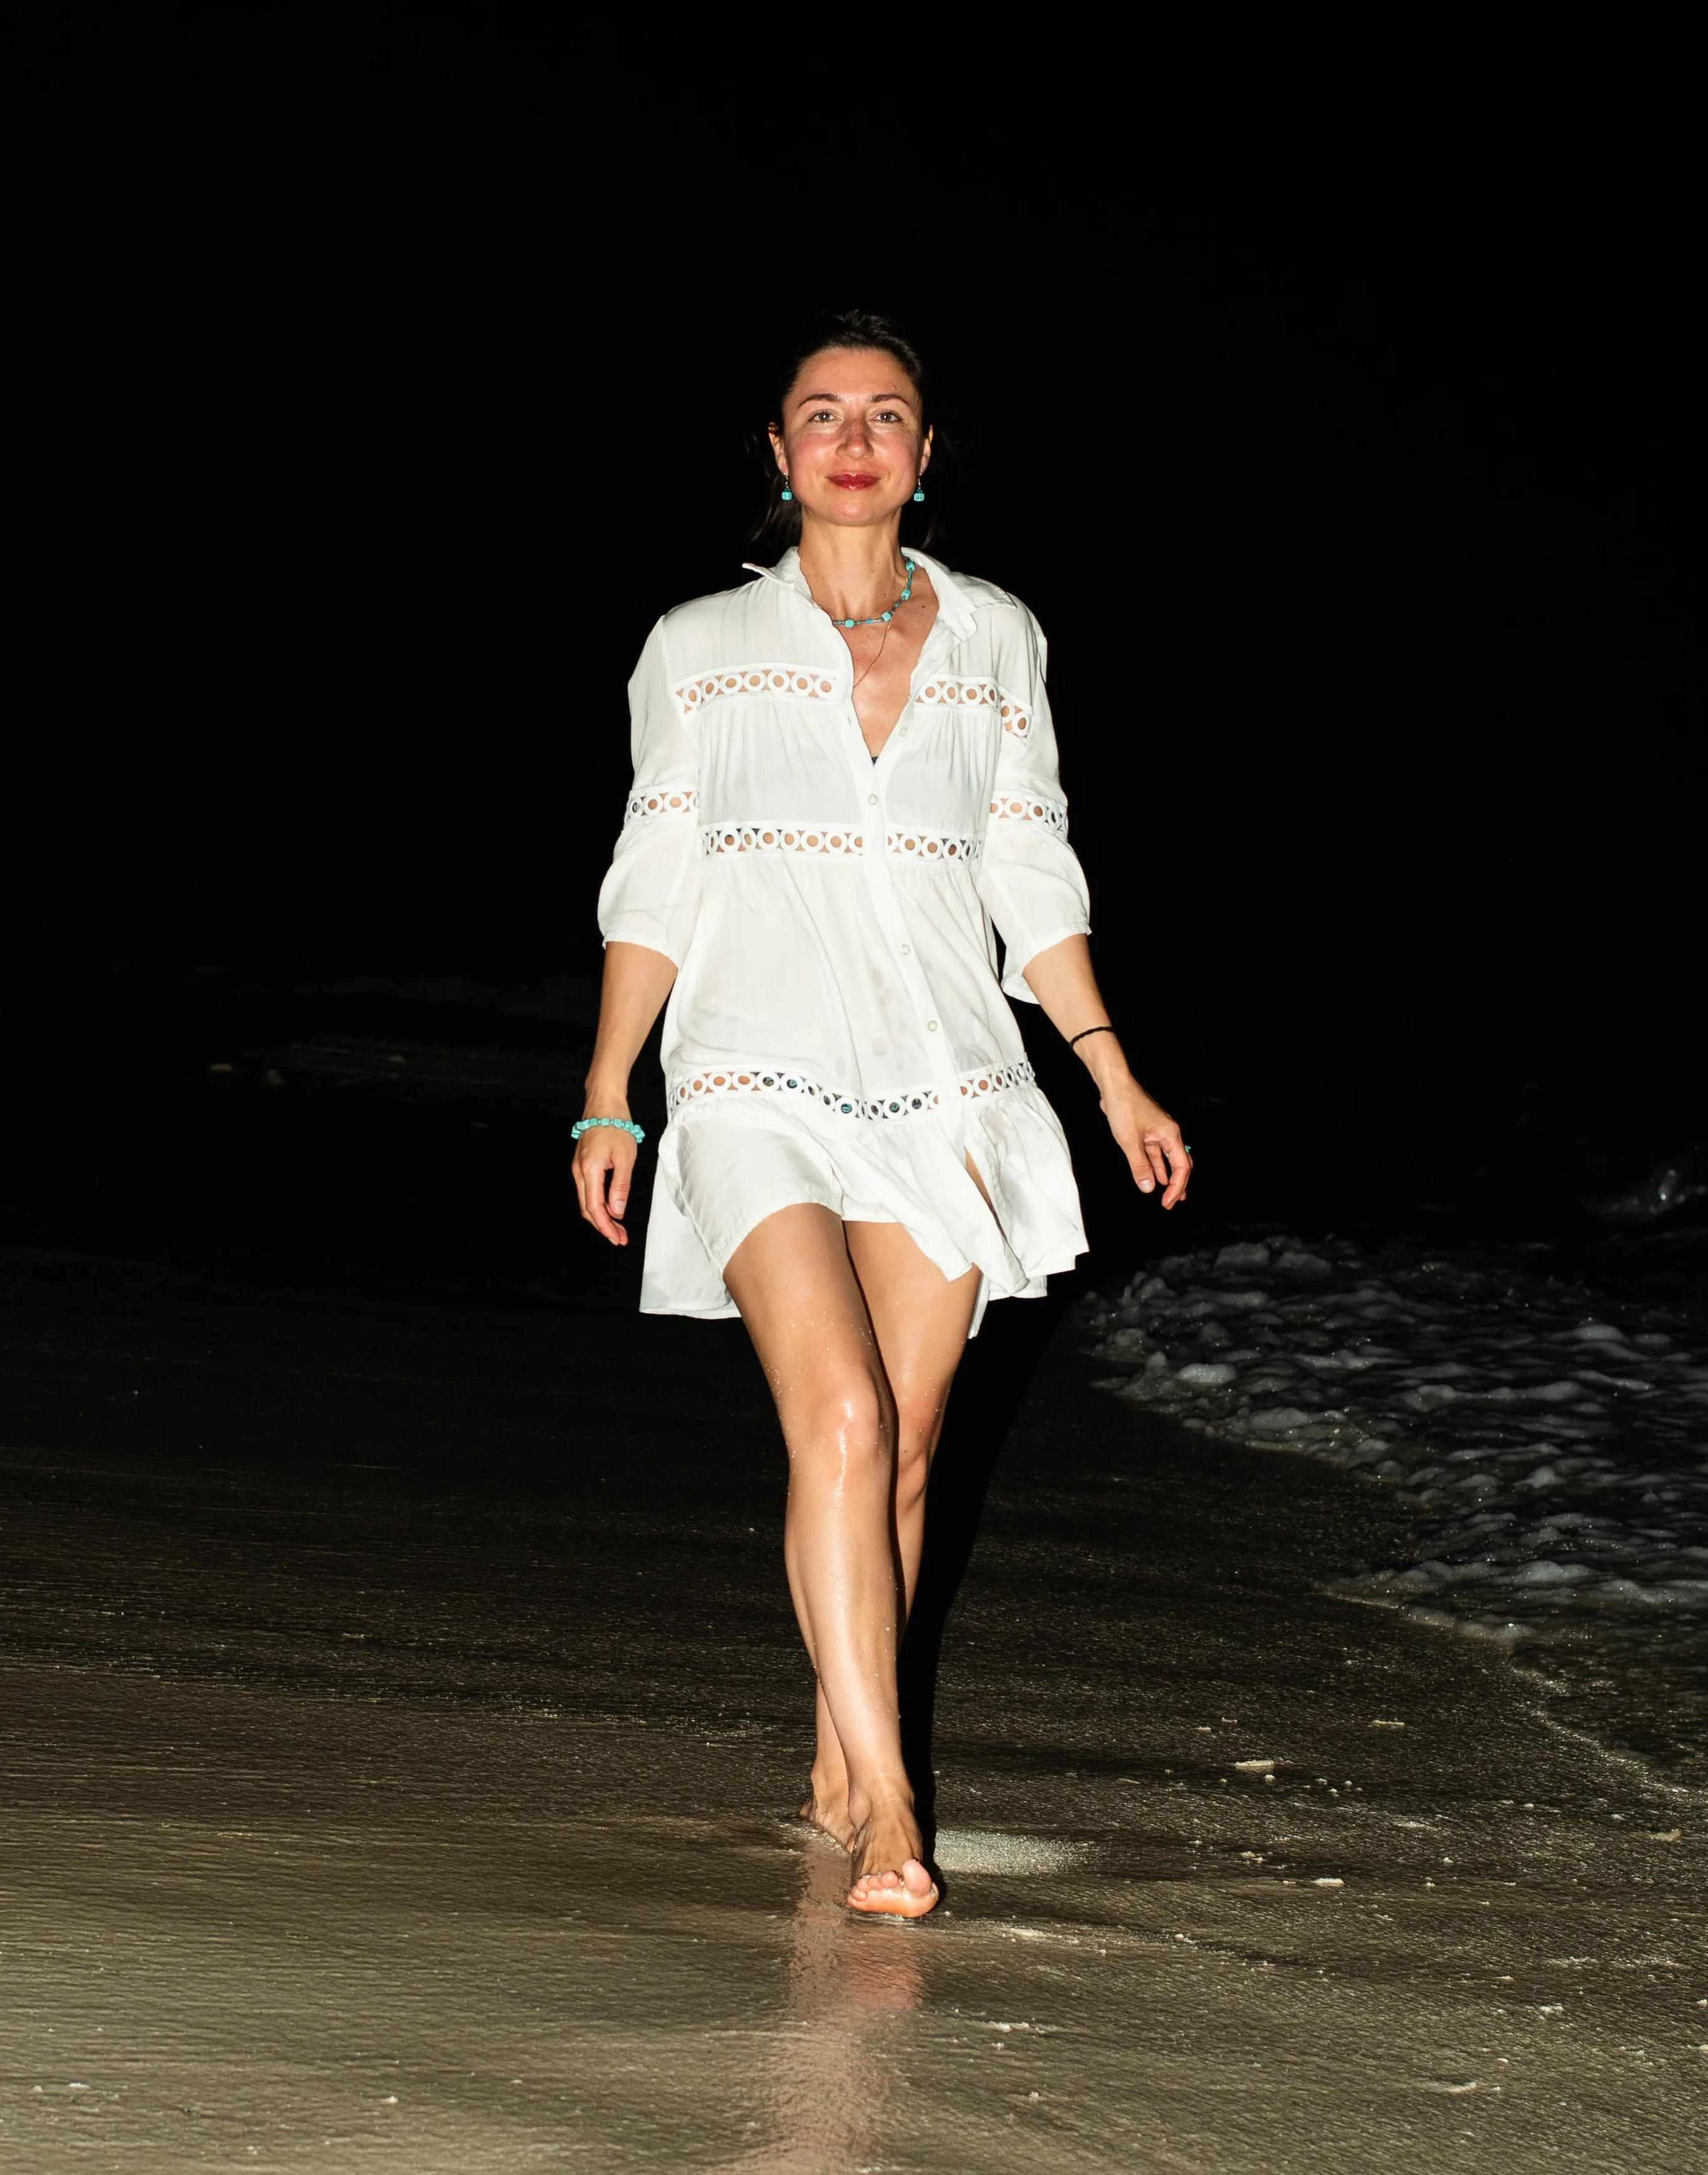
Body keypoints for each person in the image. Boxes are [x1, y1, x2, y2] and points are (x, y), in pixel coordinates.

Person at [572, 312, 1189, 1918]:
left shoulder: (999, 638)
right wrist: (607, 1096)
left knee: (907, 1448)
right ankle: (889, 1799)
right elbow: (656, 876)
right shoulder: (698, 646)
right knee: (835, 1417)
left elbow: (1030, 869)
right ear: (777, 455)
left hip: (948, 1078)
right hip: (750, 1069)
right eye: (822, 413)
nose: (855, 440)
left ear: (927, 454)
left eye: (887, 415)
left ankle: (839, 1738)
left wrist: (1108, 1069)